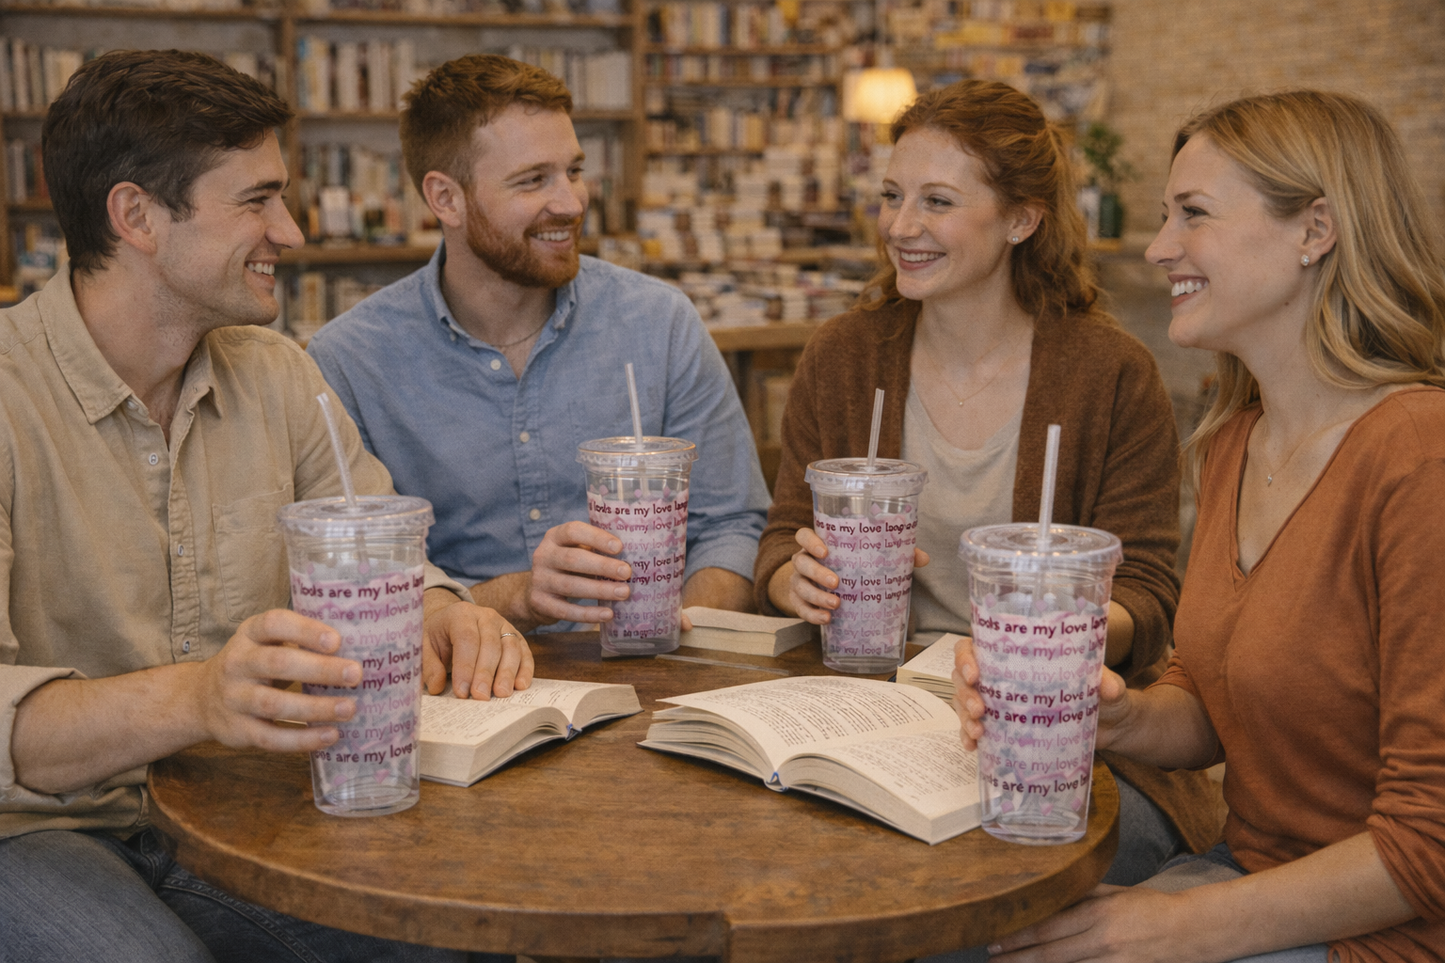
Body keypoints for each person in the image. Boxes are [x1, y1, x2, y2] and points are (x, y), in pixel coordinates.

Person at [0, 50, 531, 963]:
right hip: (41, 828)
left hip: (240, 809)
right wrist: (200, 696)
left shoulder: (279, 373)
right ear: (136, 217)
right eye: (255, 200)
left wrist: (446, 611)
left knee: (460, 942)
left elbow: (383, 549)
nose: (289, 230)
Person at [954, 90, 1445, 962]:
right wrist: (1114, 715)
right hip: (1247, 878)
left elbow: (1428, 845)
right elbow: (1211, 701)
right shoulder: (1235, 438)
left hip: (1381, 932)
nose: (1156, 247)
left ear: (1314, 230)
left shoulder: (1417, 455)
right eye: (1160, 216)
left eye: (1193, 214)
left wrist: (1172, 924)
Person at [754, 79, 1221, 886]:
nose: (901, 227)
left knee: (972, 883)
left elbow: (1147, 593)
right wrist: (795, 579)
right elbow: (779, 539)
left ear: (1021, 218)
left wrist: (1043, 637)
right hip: (870, 711)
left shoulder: (1110, 374)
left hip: (1057, 735)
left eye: (936, 200)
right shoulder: (843, 355)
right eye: (892, 196)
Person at [307, 54, 769, 634]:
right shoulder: (349, 361)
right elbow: (362, 578)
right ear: (445, 198)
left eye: (573, 171)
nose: (572, 203)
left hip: (654, 671)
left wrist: (680, 630)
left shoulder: (659, 321)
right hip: (459, 692)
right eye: (533, 180)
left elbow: (732, 525)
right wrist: (516, 598)